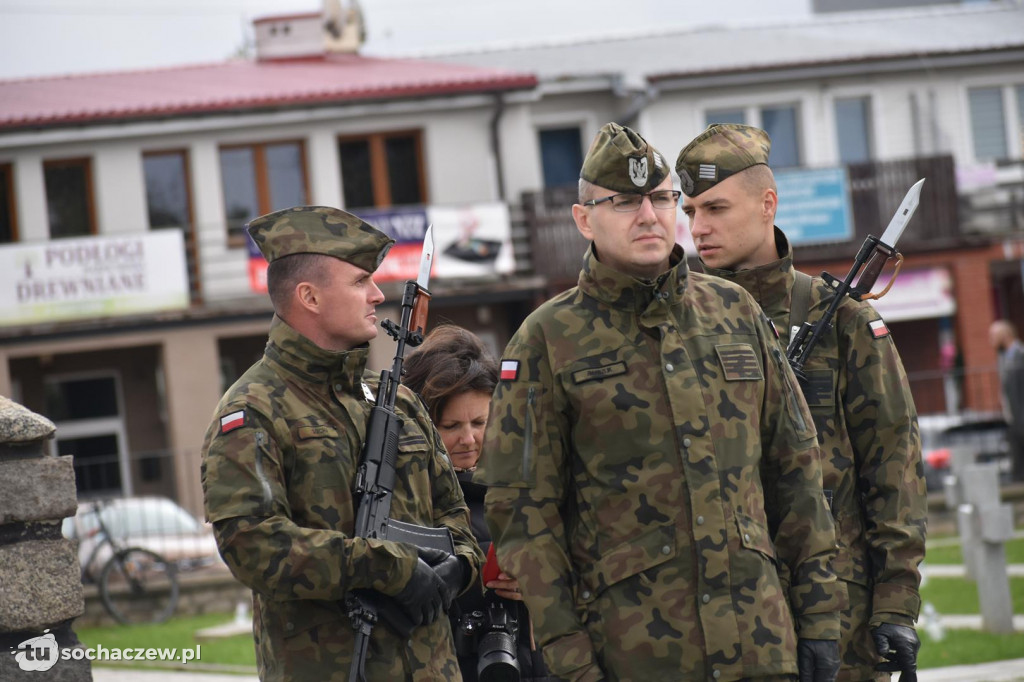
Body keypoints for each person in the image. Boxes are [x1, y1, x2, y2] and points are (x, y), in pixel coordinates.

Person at [477, 122, 843, 682]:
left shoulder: (735, 311)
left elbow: (795, 470)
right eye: (624, 202)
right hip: (634, 655)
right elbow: (525, 517)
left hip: (761, 644)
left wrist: (819, 618)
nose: (649, 216)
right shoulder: (546, 339)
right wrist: (571, 662)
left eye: (662, 198)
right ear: (584, 219)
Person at [676, 123, 927, 682]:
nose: (698, 228)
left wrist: (894, 603)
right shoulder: (674, 333)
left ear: (768, 204)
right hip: (719, 617)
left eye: (715, 208)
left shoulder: (842, 322)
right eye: (689, 210)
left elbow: (894, 467)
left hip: (842, 614)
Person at [200, 205, 484, 681]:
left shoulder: (399, 403)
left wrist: (459, 566)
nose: (377, 295)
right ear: (308, 296)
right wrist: (385, 568)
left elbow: (454, 513)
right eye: (359, 282)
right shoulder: (254, 411)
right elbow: (252, 544)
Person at [404, 324, 554, 682]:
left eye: (480, 421)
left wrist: (543, 581)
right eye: (451, 425)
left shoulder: (537, 486)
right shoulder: (404, 503)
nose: (468, 439)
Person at [990, 319, 1024, 482]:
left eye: (993, 336)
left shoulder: (1020, 355)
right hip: (1013, 419)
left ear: (1005, 335)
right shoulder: (1004, 358)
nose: (991, 341)